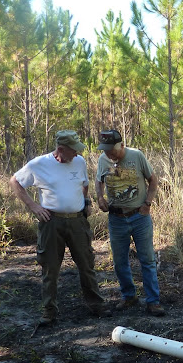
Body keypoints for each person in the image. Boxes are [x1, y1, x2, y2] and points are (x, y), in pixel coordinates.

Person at [9, 130, 109, 326]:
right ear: (61, 149)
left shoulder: (79, 162)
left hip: (77, 221)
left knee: (87, 264)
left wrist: (86, 201)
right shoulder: (39, 164)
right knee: (50, 268)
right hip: (51, 222)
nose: (77, 153)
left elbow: (84, 184)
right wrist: (34, 206)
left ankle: (96, 305)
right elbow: (15, 181)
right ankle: (49, 311)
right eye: (74, 150)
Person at [95, 129, 165, 316]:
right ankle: (129, 296)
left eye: (112, 149)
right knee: (119, 261)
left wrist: (147, 203)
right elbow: (99, 181)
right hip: (116, 218)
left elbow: (153, 180)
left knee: (147, 260)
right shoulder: (103, 160)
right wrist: (100, 197)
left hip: (139, 217)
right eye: (105, 150)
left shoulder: (136, 156)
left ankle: (153, 301)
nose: (109, 153)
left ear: (122, 145)